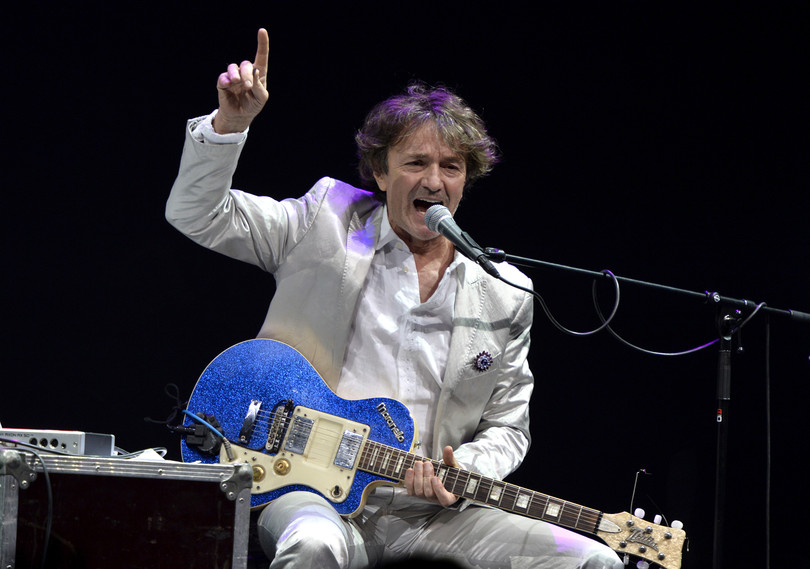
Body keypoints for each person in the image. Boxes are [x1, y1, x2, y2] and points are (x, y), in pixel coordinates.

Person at [166, 28, 622, 569]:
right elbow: (198, 214)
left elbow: (508, 427)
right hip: (308, 491)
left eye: (451, 167)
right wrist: (229, 126)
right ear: (380, 172)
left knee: (593, 562)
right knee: (313, 546)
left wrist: (463, 468)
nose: (434, 181)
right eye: (415, 163)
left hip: (436, 514)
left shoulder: (505, 292)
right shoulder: (324, 221)